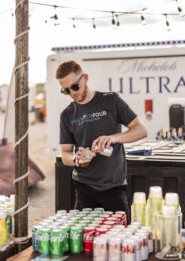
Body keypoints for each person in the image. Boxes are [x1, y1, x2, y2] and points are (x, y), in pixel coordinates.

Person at [56, 59, 147, 223]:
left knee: (120, 239)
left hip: (114, 187)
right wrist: (77, 158)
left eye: (75, 86)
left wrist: (114, 138)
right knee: (85, 244)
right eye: (66, 90)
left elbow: (141, 130)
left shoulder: (110, 100)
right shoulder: (67, 115)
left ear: (85, 78)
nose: (72, 93)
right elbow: (65, 154)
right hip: (84, 189)